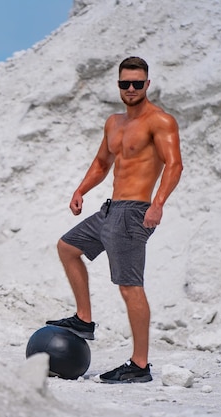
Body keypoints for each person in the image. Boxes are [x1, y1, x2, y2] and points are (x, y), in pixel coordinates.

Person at [46, 56, 183, 384]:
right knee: (67, 247)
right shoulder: (114, 123)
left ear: (148, 84)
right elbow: (101, 163)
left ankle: (139, 365)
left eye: (138, 83)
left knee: (130, 286)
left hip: (135, 212)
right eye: (125, 83)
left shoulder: (159, 121)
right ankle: (84, 319)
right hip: (109, 210)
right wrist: (80, 189)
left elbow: (174, 165)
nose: (132, 88)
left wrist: (158, 204)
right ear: (118, 85)